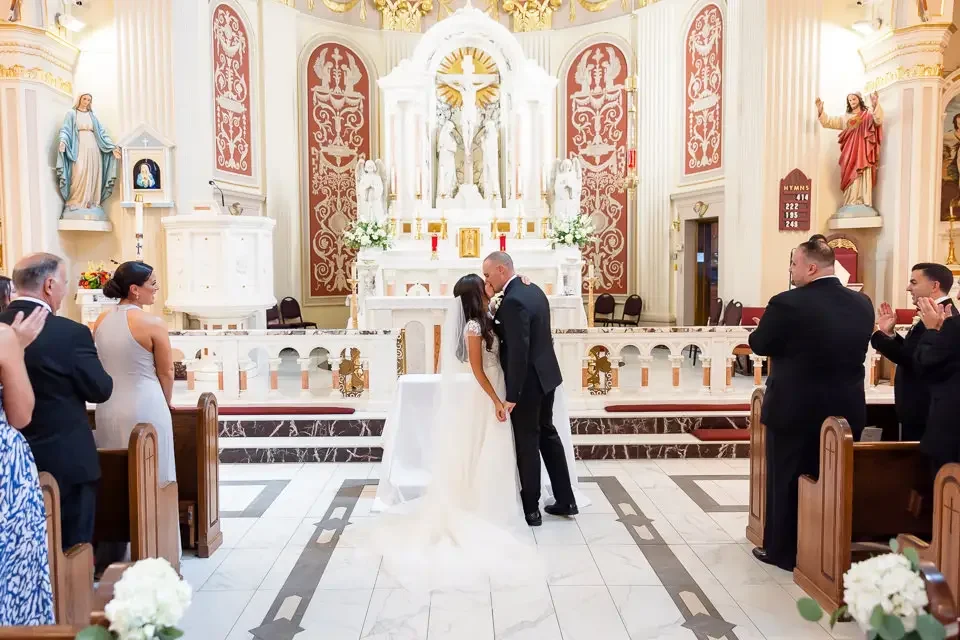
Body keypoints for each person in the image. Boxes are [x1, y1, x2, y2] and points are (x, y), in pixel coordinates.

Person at [357, 274, 548, 591]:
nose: (490, 286)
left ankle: (499, 495)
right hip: (486, 393)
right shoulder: (473, 327)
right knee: (482, 444)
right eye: (484, 284)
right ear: (475, 293)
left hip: (498, 387)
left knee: (498, 447)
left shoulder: (488, 317)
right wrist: (496, 400)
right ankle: (480, 501)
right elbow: (476, 368)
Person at [748, 239, 874, 571]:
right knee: (833, 480)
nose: (790, 270)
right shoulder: (862, 303)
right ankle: (827, 546)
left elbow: (760, 344)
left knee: (789, 478)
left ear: (811, 267)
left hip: (795, 409)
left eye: (793, 263)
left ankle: (784, 552)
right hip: (846, 408)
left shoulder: (787, 303)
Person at [0, 253, 113, 550]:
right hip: (66, 461)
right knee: (72, 547)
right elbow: (100, 389)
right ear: (49, 285)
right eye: (64, 282)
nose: (64, 290)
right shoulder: (70, 333)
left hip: (8, 467)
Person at [93, 262, 177, 566]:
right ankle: (157, 549)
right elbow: (166, 371)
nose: (156, 287)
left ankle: (117, 555)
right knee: (156, 475)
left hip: (109, 406)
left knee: (116, 477)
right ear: (135, 289)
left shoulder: (100, 321)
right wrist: (165, 403)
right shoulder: (152, 323)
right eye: (152, 283)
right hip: (146, 404)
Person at [483, 251, 577, 526]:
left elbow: (519, 352)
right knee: (547, 434)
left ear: (502, 270)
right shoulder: (532, 289)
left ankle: (531, 508)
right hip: (547, 375)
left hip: (529, 383)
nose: (486, 280)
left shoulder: (513, 301)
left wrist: (512, 395)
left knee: (527, 442)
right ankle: (566, 499)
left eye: (488, 275)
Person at [0, 304, 53, 625]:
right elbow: (21, 415)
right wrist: (14, 349)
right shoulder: (3, 337)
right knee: (12, 566)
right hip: (5, 468)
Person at [873, 263, 957, 441]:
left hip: (924, 407)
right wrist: (890, 334)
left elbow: (914, 360)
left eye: (914, 282)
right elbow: (915, 351)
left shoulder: (945, 316)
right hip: (920, 406)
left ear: (934, 286)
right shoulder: (932, 314)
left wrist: (878, 337)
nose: (908, 288)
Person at [911, 294, 960, 482]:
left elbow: (925, 364)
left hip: (952, 433)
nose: (958, 295)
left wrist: (933, 331)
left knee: (945, 499)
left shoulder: (955, 326)